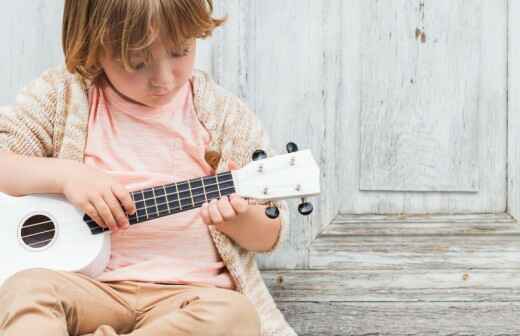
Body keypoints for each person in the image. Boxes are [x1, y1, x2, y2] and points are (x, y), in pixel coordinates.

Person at [0, 1, 295, 335]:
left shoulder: (223, 115)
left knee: (235, 315)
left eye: (180, 51)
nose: (163, 80)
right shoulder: (64, 96)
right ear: (94, 46)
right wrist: (67, 176)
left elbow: (271, 229)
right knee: (26, 289)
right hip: (89, 293)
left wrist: (238, 219)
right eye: (137, 63)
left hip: (189, 298)